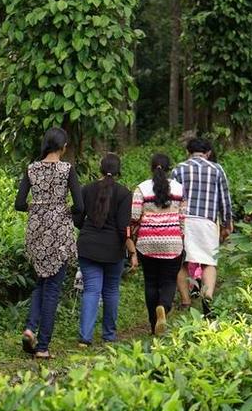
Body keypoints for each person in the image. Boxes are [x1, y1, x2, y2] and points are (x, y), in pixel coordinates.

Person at [14, 127, 81, 359]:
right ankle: (42, 347)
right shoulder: (67, 169)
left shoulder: (31, 169)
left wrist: (39, 208)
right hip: (59, 233)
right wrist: (62, 211)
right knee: (52, 289)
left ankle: (30, 328)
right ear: (63, 147)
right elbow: (80, 206)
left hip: (36, 232)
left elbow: (19, 203)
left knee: (41, 283)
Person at [73, 153, 134, 346]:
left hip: (87, 247)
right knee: (111, 291)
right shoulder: (124, 193)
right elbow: (123, 227)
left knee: (91, 290)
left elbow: (77, 219)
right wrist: (132, 252)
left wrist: (89, 232)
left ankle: (85, 337)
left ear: (100, 168)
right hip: (113, 249)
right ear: (119, 171)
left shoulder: (86, 189)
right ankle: (109, 335)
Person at [172, 139, 233, 316]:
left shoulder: (178, 169)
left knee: (182, 262)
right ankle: (207, 297)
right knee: (208, 262)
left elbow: (173, 197)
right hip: (207, 221)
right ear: (208, 153)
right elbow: (224, 199)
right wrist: (227, 223)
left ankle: (185, 301)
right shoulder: (217, 169)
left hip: (183, 221)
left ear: (187, 152)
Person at [130, 154, 186, 335]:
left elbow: (134, 216)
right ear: (169, 168)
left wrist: (133, 236)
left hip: (147, 243)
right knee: (169, 280)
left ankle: (154, 324)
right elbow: (182, 218)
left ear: (151, 167)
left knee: (151, 282)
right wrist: (181, 237)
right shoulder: (178, 188)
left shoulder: (142, 188)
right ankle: (164, 306)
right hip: (172, 242)